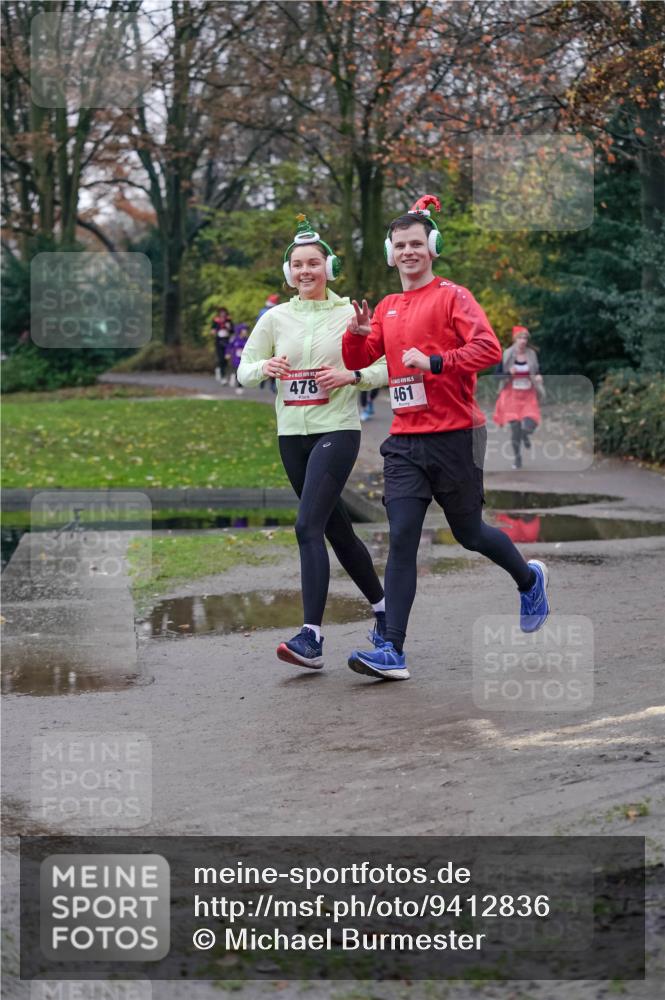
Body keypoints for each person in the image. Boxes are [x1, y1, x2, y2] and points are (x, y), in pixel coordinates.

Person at [342, 194, 550, 682]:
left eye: (416, 243)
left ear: (432, 247)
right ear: (390, 252)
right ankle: (392, 648)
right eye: (400, 245)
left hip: (456, 435)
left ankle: (528, 579)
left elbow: (488, 348)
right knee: (402, 540)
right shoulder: (389, 306)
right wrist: (355, 334)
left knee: (469, 534)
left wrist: (435, 362)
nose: (408, 251)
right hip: (405, 442)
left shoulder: (453, 296)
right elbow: (356, 360)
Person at [238, 214, 388, 669]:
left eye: (314, 263)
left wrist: (353, 375)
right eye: (297, 265)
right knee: (336, 530)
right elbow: (244, 371)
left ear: (329, 268)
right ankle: (385, 611)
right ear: (289, 273)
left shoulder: (351, 315)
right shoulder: (275, 318)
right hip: (292, 437)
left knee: (307, 527)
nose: (305, 271)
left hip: (336, 431)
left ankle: (311, 637)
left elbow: (388, 366)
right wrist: (267, 369)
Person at [493, 326, 544, 469]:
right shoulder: (506, 355)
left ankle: (525, 435)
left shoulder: (532, 354)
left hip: (528, 394)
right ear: (515, 339)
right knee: (515, 428)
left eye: (525, 338)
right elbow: (496, 377)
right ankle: (517, 459)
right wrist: (509, 373)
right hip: (511, 395)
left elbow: (538, 370)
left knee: (531, 422)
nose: (523, 341)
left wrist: (539, 376)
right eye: (520, 338)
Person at [257, 294, 280, 393]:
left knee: (268, 360)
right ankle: (269, 383)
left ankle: (265, 383)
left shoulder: (263, 311)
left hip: (268, 339)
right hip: (271, 339)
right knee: (272, 361)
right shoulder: (272, 312)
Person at [210, 307, 234, 384]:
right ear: (219, 313)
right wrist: (214, 331)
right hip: (219, 341)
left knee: (226, 359)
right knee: (221, 358)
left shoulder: (229, 320)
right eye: (221, 312)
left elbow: (232, 331)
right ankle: (222, 375)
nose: (223, 314)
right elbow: (212, 330)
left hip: (226, 341)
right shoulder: (216, 320)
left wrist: (228, 327)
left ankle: (222, 372)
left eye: (224, 312)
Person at [228, 323, 249, 394]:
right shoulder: (234, 339)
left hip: (244, 359)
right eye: (244, 330)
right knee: (236, 371)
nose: (245, 332)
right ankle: (232, 377)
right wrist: (227, 353)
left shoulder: (247, 340)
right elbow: (229, 346)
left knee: (241, 372)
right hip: (235, 358)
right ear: (240, 331)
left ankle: (239, 386)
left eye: (246, 330)